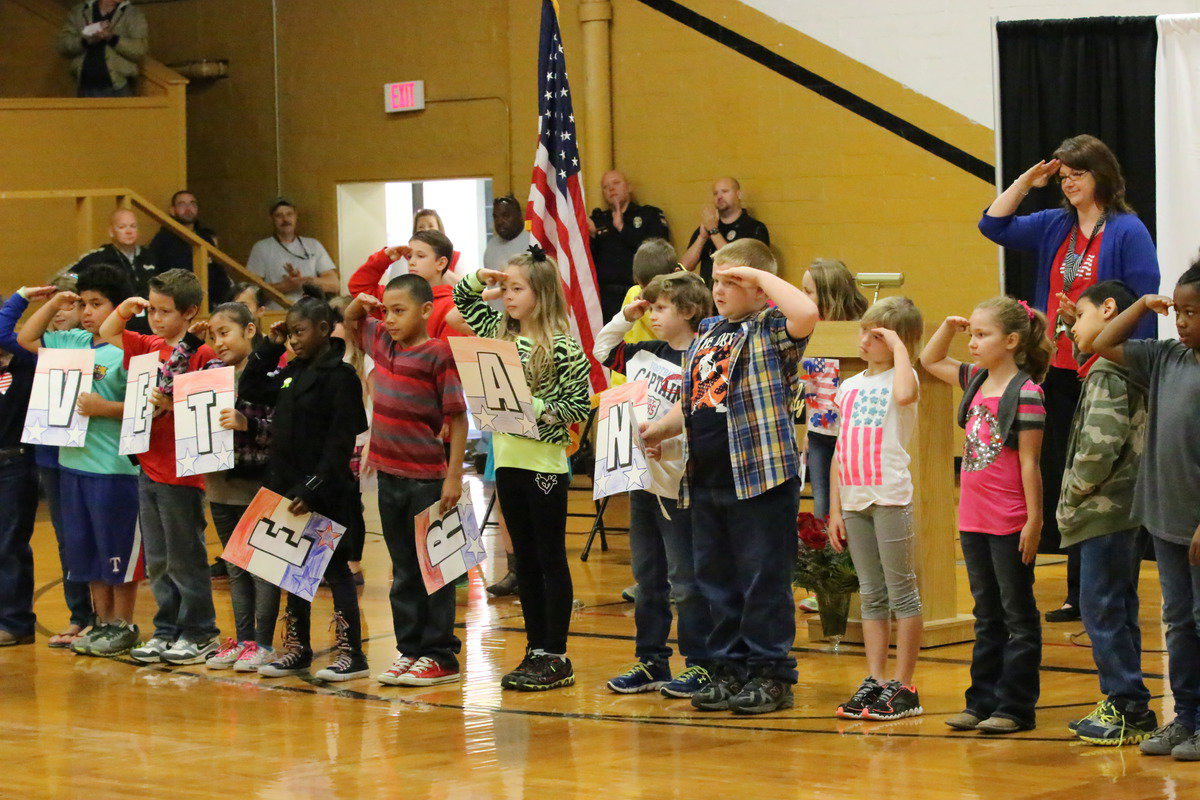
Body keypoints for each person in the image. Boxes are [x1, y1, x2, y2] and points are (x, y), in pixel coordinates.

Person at [979, 135, 1160, 623]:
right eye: (1063, 176)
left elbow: (1143, 302)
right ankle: (1077, 593)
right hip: (1056, 369)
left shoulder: (1126, 229)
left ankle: (1105, 590)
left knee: (1096, 480)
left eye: (1077, 172)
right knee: (1060, 474)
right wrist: (1025, 182)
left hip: (1104, 370)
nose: (1068, 182)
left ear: (1101, 174)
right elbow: (992, 224)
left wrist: (1110, 349)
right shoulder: (1056, 223)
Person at [641, 238, 819, 715]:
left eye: (731, 282)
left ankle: (770, 672)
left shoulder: (770, 326)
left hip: (759, 474)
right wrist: (660, 429)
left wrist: (758, 275)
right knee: (715, 579)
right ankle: (728, 668)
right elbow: (695, 398)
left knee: (762, 580)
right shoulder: (710, 330)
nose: (719, 289)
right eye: (715, 280)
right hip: (708, 475)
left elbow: (807, 314)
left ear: (760, 290)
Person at [453, 247, 591, 691]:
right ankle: (535, 648)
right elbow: (463, 300)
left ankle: (558, 653)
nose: (507, 296)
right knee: (525, 559)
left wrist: (528, 405)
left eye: (517, 289)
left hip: (545, 462)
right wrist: (483, 279)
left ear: (542, 293)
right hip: (508, 460)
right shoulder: (499, 332)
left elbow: (576, 405)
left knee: (550, 557)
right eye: (505, 288)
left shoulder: (564, 346)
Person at [921, 296, 1050, 734]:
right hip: (973, 520)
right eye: (972, 334)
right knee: (986, 614)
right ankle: (981, 702)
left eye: (982, 335)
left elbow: (1031, 465)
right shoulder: (975, 380)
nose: (972, 343)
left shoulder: (1027, 394)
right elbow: (930, 358)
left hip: (1010, 520)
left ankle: (1015, 707)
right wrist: (950, 325)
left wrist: (1034, 521)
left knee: (1017, 616)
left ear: (1012, 341)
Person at [1092, 264, 1200, 762]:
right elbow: (1098, 341)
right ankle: (1188, 719)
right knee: (1178, 621)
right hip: (1165, 518)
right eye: (1179, 311)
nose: (1182, 320)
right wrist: (1140, 307)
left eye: (1193, 312)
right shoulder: (1165, 357)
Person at [593, 271, 715, 697]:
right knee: (648, 576)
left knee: (685, 578)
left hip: (681, 483)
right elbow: (603, 349)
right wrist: (626, 316)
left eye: (661, 307)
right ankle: (651, 660)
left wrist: (670, 436)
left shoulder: (702, 359)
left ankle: (700, 662)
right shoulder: (647, 351)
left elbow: (704, 416)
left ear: (689, 311)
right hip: (641, 480)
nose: (654, 315)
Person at [343, 278, 469, 687]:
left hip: (428, 480)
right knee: (402, 570)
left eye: (401, 310)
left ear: (426, 310)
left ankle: (440, 654)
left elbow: (458, 417)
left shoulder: (439, 355)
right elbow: (349, 321)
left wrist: (453, 476)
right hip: (390, 477)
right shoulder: (382, 342)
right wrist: (360, 305)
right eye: (387, 311)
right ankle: (410, 649)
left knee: (435, 569)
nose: (391, 319)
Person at [16, 266, 144, 657]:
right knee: (84, 551)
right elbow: (25, 337)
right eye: (83, 303)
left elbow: (148, 408)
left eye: (97, 304)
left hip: (115, 470)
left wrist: (105, 408)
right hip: (73, 467)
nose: (87, 311)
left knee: (116, 550)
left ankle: (124, 622)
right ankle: (102, 623)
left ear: (119, 307)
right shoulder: (71, 341)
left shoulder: (130, 350)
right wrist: (56, 300)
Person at [1048, 281, 1154, 746]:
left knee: (1102, 610)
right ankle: (1124, 699)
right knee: (1117, 607)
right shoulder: (1117, 365)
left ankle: (1126, 704)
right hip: (1121, 511)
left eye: (1081, 318)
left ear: (1110, 309)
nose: (1072, 333)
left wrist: (1072, 494)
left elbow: (1098, 447)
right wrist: (1074, 322)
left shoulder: (1109, 372)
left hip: (1103, 510)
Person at [98, 269, 221, 665]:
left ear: (190, 313)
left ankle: (199, 631)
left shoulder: (201, 352)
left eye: (166, 311)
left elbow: (210, 408)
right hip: (148, 465)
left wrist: (175, 404)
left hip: (182, 470)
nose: (156, 318)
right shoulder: (147, 345)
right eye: (152, 309)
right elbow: (107, 330)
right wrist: (124, 309)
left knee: (185, 557)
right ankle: (167, 630)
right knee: (158, 559)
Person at [253, 296, 370, 682]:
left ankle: (352, 655)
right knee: (293, 572)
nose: (294, 340)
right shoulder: (293, 371)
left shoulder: (341, 377)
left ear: (323, 329)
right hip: (288, 490)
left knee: (335, 571)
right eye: (289, 333)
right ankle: (298, 650)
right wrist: (271, 346)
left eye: (299, 331)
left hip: (326, 491)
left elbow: (340, 444)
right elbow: (251, 386)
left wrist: (312, 487)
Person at [827, 297, 925, 720]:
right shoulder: (848, 386)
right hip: (854, 499)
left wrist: (901, 348)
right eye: (864, 331)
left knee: (901, 591)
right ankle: (876, 679)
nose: (865, 340)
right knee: (871, 592)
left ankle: (905, 686)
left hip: (890, 496)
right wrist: (833, 508)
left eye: (877, 335)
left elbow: (905, 394)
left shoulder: (904, 379)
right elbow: (838, 450)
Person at [170, 304, 282, 672]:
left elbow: (282, 426)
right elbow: (168, 384)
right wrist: (189, 340)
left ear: (250, 331)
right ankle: (244, 638)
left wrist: (246, 424)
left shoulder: (268, 371)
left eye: (226, 333)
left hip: (255, 483)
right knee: (234, 565)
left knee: (260, 566)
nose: (218, 342)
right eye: (213, 335)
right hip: (217, 483)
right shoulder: (209, 372)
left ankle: (263, 643)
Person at [0, 275, 93, 647]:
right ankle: (79, 616)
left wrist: (21, 300)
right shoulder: (38, 352)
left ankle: (100, 618)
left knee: (86, 538)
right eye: (54, 304)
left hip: (79, 458)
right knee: (65, 540)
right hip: (49, 459)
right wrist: (30, 299)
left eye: (71, 304)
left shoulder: (45, 356)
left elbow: (8, 336)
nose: (59, 311)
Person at [799, 259, 869, 521]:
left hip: (849, 434)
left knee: (849, 504)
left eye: (808, 291)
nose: (802, 297)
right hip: (820, 433)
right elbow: (812, 383)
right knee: (822, 506)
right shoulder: (810, 330)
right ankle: (826, 558)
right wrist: (808, 429)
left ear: (829, 293)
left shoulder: (858, 331)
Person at [0, 294, 37, 647]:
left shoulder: (25, 362)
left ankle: (16, 622)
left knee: (9, 545)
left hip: (16, 463)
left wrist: (20, 298)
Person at [347, 231, 465, 340]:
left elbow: (450, 357)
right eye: (409, 256)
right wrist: (384, 258)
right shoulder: (396, 296)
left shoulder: (452, 308)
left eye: (420, 256)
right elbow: (359, 286)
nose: (412, 262)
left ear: (441, 263)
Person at [587, 170, 670, 319]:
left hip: (640, 293)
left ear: (629, 187)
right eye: (606, 187)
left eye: (616, 183)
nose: (611, 188)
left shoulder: (648, 215)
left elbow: (658, 253)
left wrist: (622, 229)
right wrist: (591, 236)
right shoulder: (598, 220)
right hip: (605, 298)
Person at [66, 208, 157, 331]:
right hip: (116, 323)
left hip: (149, 322)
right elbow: (68, 275)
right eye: (122, 227)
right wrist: (85, 281)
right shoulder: (98, 257)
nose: (129, 231)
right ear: (111, 232)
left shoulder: (150, 256)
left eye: (133, 226)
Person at [246, 199, 339, 307]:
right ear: (271, 219)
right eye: (279, 216)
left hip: (311, 313)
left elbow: (334, 284)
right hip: (275, 314)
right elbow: (252, 291)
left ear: (296, 217)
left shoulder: (313, 245)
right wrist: (285, 286)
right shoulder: (261, 248)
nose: (285, 219)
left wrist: (306, 281)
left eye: (289, 214)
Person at [680, 178, 770, 284]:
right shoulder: (709, 226)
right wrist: (702, 237)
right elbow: (684, 267)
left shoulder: (754, 228)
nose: (719, 196)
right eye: (715, 193)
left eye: (725, 191)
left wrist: (713, 231)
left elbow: (737, 267)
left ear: (739, 194)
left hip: (738, 296)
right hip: (709, 296)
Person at [149, 190, 231, 306]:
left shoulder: (205, 238)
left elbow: (218, 270)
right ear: (172, 210)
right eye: (182, 204)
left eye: (192, 204)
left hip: (207, 303)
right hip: (176, 304)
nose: (188, 208)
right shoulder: (162, 240)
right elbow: (156, 275)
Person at [57, 0, 148, 98]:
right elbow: (63, 45)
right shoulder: (79, 12)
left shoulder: (133, 15)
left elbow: (140, 49)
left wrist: (112, 38)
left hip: (119, 88)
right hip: (85, 87)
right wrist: (85, 41)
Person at [483, 196, 530, 270]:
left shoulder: (532, 243)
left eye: (505, 216)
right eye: (496, 217)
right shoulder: (491, 246)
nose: (499, 221)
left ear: (519, 216)